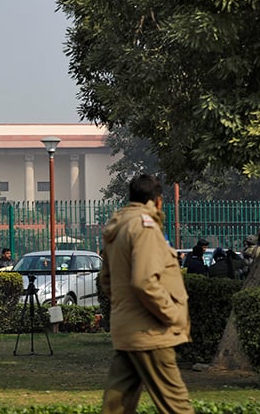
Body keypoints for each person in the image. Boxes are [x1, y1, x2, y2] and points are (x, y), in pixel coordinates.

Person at [100, 174, 193, 414]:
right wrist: (171, 313)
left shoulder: (118, 227)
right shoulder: (145, 227)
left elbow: (106, 281)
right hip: (150, 331)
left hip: (128, 330)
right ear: (157, 201)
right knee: (176, 405)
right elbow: (145, 282)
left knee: (116, 407)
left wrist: (126, 309)